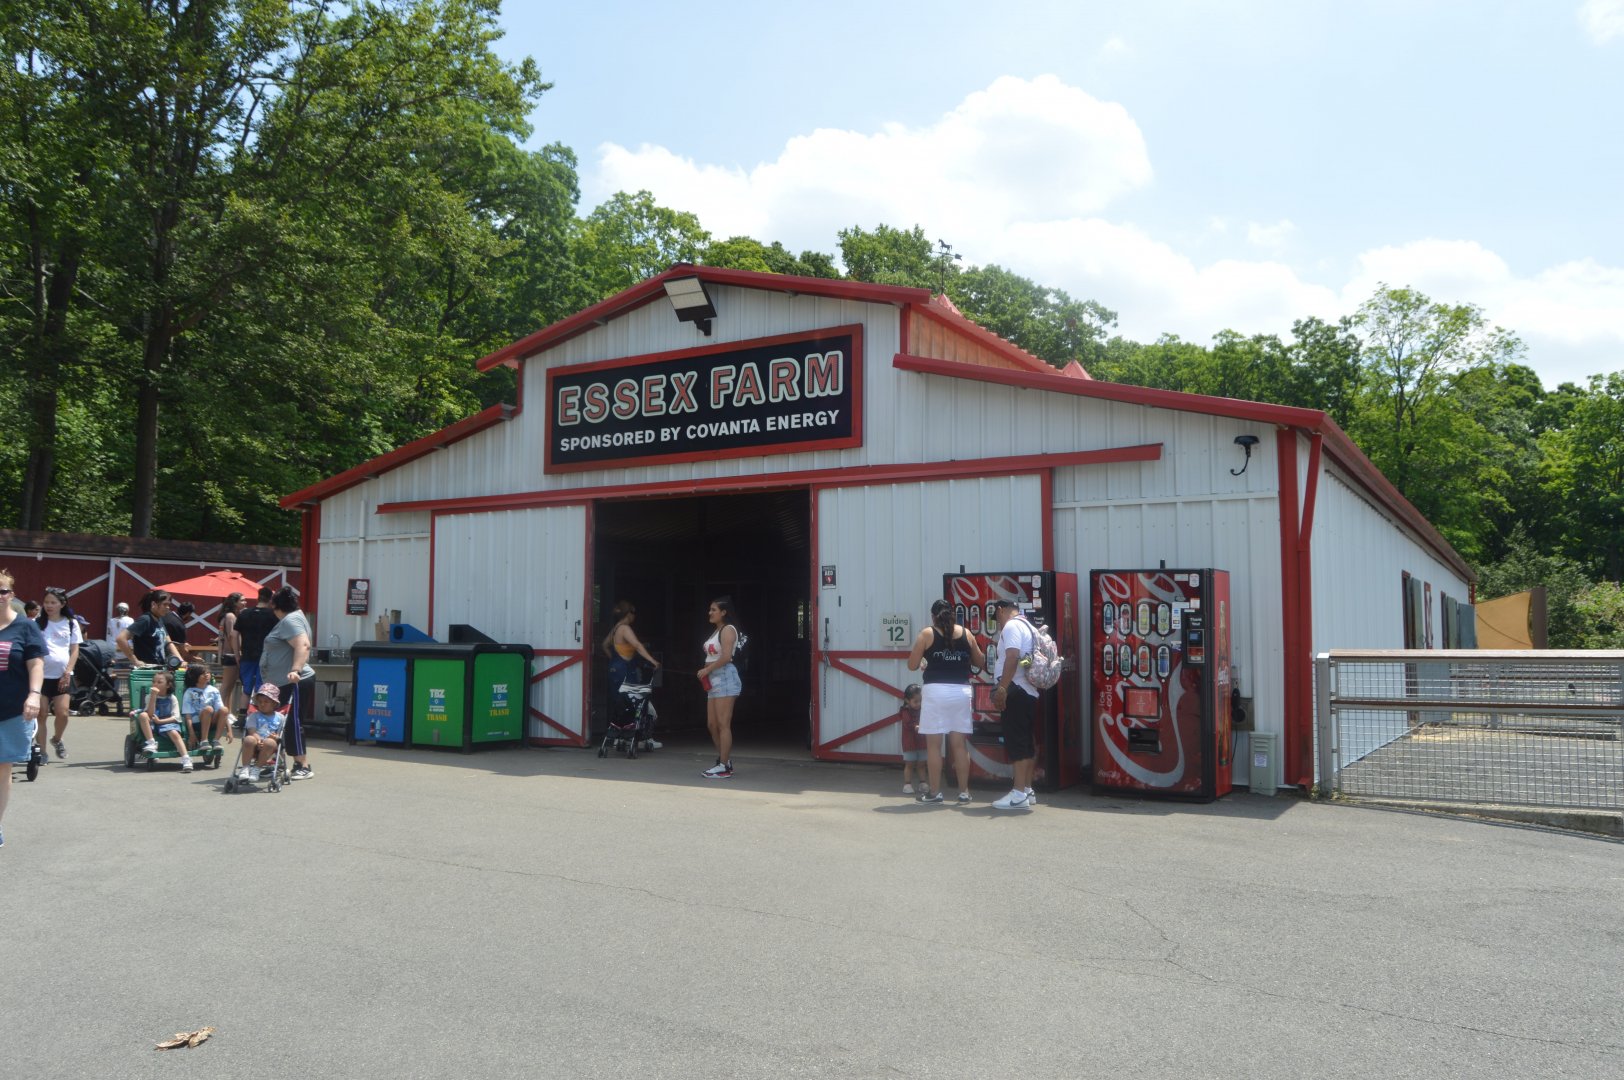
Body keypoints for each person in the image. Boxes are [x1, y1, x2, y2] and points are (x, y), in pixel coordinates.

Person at [907, 599, 985, 804]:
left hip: (935, 691)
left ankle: (934, 793)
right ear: (952, 614)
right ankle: (964, 792)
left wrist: (926, 655)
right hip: (960, 691)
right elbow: (980, 661)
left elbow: (912, 665)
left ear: (933, 616)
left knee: (934, 745)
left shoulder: (927, 634)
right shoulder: (966, 633)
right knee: (959, 744)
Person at [0, 568, 48, 848]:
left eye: (2, 591)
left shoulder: (25, 626)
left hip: (11, 708)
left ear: (11, 595)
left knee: (3, 768)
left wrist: (34, 694)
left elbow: (36, 663)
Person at [990, 598, 1039, 810]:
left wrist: (1002, 687)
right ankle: (1027, 790)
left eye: (997, 618)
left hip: (1016, 691)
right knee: (1026, 743)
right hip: (1028, 691)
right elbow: (1025, 660)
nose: (998, 623)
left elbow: (1012, 656)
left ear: (1001, 610)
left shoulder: (1011, 626)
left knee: (1017, 744)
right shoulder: (1028, 626)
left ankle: (1018, 795)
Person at [262, 586, 314, 780]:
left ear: (275, 605)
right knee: (277, 723)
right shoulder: (292, 618)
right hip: (280, 682)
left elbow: (303, 644)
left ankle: (303, 765)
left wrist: (295, 670)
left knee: (292, 723)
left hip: (293, 681)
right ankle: (276, 763)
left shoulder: (291, 620)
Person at [601, 600, 663, 751]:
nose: (635, 617)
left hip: (615, 670)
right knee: (638, 704)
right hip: (626, 671)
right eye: (634, 613)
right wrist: (652, 660)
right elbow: (637, 645)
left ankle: (619, 738)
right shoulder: (625, 628)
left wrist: (615, 660)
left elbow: (604, 645)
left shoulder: (615, 629)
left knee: (621, 704)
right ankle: (645, 737)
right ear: (629, 614)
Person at [35, 587, 82, 761]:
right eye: (46, 602)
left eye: (53, 602)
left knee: (63, 714)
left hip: (62, 675)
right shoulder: (37, 624)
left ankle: (57, 739)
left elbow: (75, 649)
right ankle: (41, 752)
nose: (49, 605)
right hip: (40, 675)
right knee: (41, 714)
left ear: (62, 604)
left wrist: (68, 671)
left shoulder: (71, 623)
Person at [698, 596, 741, 779]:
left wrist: (707, 669)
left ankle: (723, 766)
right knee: (712, 724)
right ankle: (725, 760)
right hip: (714, 679)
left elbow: (725, 657)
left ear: (724, 612)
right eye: (710, 609)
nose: (710, 612)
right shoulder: (716, 631)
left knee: (723, 724)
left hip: (724, 677)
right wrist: (708, 672)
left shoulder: (728, 630)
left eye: (714, 609)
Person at [135, 669, 193, 773]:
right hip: (152, 720)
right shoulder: (149, 696)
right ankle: (151, 743)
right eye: (154, 681)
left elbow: (176, 717)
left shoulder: (172, 698)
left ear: (168, 685)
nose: (155, 684)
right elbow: (150, 714)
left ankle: (185, 758)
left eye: (159, 682)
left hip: (167, 722)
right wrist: (153, 696)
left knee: (175, 733)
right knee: (143, 715)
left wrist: (161, 722)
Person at [117, 591, 183, 669]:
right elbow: (121, 638)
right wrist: (135, 660)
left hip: (160, 668)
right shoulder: (145, 619)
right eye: (165, 604)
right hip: (146, 670)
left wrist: (180, 661)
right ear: (153, 604)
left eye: (169, 605)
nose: (168, 607)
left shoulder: (159, 620)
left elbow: (169, 643)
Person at [234, 587, 277, 701]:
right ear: (270, 599)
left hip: (247, 655)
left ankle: (242, 715)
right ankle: (259, 714)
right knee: (262, 689)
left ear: (258, 597)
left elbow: (234, 634)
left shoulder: (244, 614)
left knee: (246, 688)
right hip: (266, 656)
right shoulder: (273, 615)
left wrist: (237, 653)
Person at [237, 684, 286, 782]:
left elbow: (280, 735)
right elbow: (252, 731)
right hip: (254, 743)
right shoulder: (254, 716)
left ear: (274, 704)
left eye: (266, 702)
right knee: (249, 739)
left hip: (270, 746)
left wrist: (275, 737)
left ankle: (257, 769)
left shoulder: (280, 717)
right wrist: (259, 740)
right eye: (260, 702)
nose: (262, 704)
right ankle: (245, 768)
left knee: (270, 742)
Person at [181, 663, 230, 750]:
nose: (206, 674)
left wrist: (229, 730)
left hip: (212, 720)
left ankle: (216, 740)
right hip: (196, 722)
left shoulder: (213, 690)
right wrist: (191, 733)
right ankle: (204, 741)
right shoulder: (189, 692)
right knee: (208, 709)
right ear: (195, 676)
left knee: (224, 709)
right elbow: (187, 714)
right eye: (203, 673)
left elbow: (222, 710)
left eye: (208, 672)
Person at [216, 592, 245, 715]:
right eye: (242, 600)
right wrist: (238, 652)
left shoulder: (228, 616)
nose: (245, 602)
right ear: (235, 602)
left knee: (230, 686)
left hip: (228, 654)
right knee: (227, 686)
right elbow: (233, 636)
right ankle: (220, 712)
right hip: (231, 655)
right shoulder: (231, 617)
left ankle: (226, 713)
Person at [894, 683, 925, 794]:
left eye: (920, 701)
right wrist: (916, 726)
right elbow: (908, 723)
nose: (918, 704)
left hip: (922, 742)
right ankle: (907, 784)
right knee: (910, 764)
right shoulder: (905, 711)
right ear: (907, 700)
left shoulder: (923, 710)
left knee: (922, 763)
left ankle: (922, 783)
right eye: (915, 701)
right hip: (910, 742)